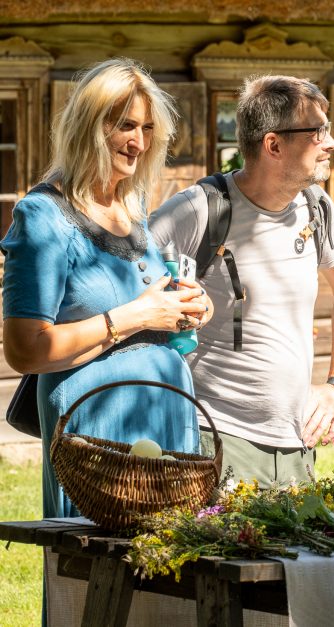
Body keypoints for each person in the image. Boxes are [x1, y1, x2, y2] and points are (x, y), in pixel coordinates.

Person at [0, 58, 212, 519]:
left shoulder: (130, 210)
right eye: (124, 126)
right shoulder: (43, 217)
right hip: (96, 440)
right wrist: (139, 315)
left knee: (169, 581)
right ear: (88, 127)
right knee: (101, 582)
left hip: (166, 421)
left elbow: (149, 306)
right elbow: (24, 351)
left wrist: (186, 305)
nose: (138, 142)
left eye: (147, 128)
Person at [150, 75, 334, 488]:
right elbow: (120, 273)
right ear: (274, 145)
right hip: (212, 439)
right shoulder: (201, 209)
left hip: (296, 444)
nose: (331, 142)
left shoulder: (316, 208)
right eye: (317, 131)